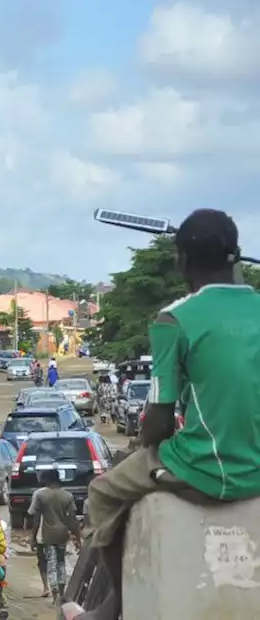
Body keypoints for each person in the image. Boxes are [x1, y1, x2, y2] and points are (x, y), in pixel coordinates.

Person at [67, 209, 260, 620]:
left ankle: (114, 603)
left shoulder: (175, 319)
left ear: (182, 261)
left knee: (102, 494)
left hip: (206, 467)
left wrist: (147, 442)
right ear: (237, 257)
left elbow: (158, 417)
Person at [29, 469, 82, 601]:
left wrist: (33, 537)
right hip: (63, 535)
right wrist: (78, 539)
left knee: (51, 564)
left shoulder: (41, 496)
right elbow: (73, 519)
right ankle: (62, 593)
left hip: (48, 534)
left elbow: (36, 519)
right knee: (61, 563)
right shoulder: (68, 496)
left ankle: (54, 595)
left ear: (48, 480)